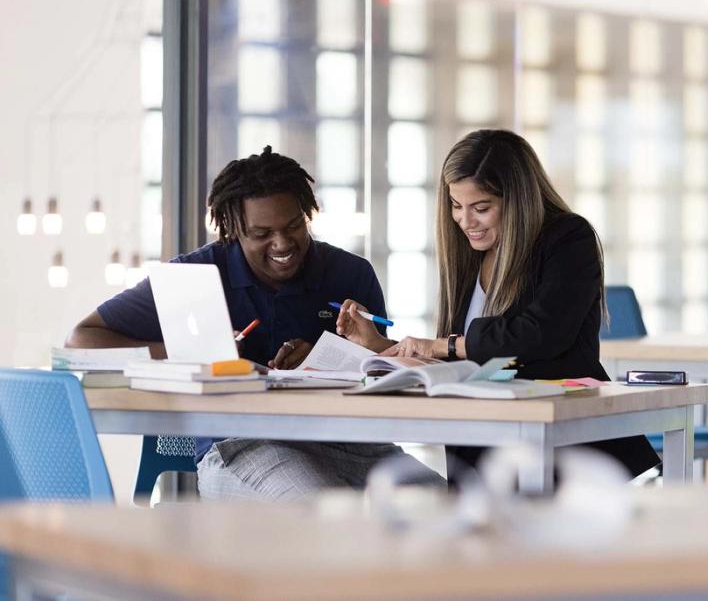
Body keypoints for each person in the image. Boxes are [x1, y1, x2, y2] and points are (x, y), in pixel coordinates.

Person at [67, 146, 439, 499]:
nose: (282, 243)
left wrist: (340, 354)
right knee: (318, 509)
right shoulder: (194, 275)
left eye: (294, 226)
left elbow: (383, 374)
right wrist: (193, 352)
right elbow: (82, 339)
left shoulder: (350, 274)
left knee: (453, 503)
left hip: (353, 443)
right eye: (261, 234)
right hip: (241, 446)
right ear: (231, 229)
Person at [337, 129, 660, 479]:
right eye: (456, 206)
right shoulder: (469, 253)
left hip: (560, 444)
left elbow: (540, 334)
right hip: (484, 441)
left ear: (517, 200)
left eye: (481, 208)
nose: (464, 221)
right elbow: (467, 363)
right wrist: (381, 347)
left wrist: (444, 344)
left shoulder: (568, 238)